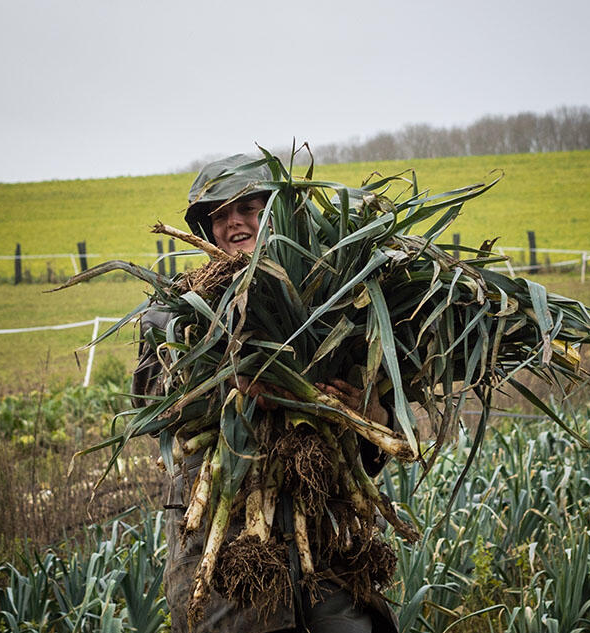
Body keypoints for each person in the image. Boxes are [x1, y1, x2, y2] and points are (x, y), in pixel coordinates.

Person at [132, 154, 399, 633]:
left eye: (247, 207)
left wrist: (368, 410)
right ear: (206, 229)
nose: (233, 222)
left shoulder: (333, 296)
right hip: (230, 560)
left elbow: (387, 430)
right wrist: (232, 387)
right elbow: (153, 401)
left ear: (278, 212)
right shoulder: (175, 310)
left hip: (330, 548)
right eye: (218, 214)